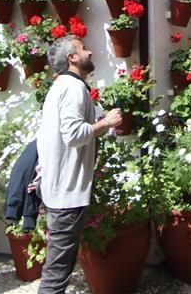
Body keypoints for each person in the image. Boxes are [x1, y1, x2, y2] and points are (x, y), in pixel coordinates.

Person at [36, 35, 122, 294]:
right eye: (84, 48)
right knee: (56, 274)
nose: (91, 52)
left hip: (59, 189)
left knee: (58, 267)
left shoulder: (61, 86)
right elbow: (73, 135)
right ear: (72, 57)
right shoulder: (73, 88)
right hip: (66, 194)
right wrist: (106, 123)